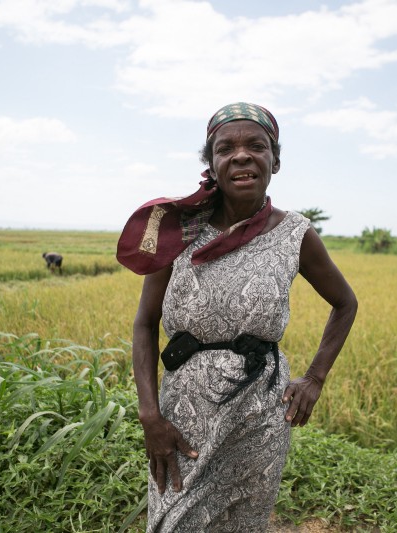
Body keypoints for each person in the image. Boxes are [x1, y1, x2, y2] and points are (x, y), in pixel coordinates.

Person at [117, 102, 358, 532]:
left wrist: (315, 377)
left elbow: (345, 303)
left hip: (261, 413)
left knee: (244, 524)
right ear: (211, 164)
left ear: (275, 161)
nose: (242, 155)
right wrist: (150, 415)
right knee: (175, 521)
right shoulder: (178, 230)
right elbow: (144, 323)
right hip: (183, 414)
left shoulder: (295, 234)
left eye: (256, 146)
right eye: (226, 148)